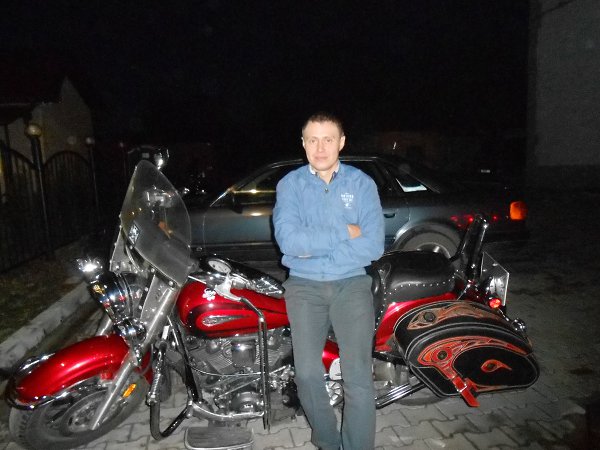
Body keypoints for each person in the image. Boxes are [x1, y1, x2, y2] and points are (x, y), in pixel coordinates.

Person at [273, 112, 384, 450]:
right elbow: (289, 242)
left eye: (328, 139)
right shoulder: (290, 185)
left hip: (351, 285)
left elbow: (373, 245)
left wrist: (316, 248)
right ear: (303, 143)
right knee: (307, 374)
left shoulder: (361, 184)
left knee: (357, 375)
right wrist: (345, 232)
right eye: (313, 140)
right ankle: (328, 441)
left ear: (341, 142)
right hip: (304, 287)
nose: (320, 148)